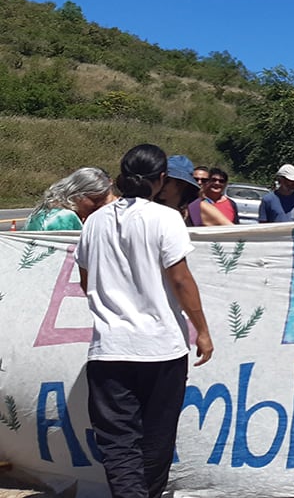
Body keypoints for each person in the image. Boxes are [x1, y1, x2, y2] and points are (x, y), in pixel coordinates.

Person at [74, 143, 213, 498]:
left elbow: (86, 282)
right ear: (162, 179)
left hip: (110, 351)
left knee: (118, 444)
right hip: (161, 350)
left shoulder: (94, 222)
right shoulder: (166, 219)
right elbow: (181, 280)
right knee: (156, 439)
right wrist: (203, 330)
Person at [27, 167, 115, 231]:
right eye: (96, 200)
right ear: (77, 194)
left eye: (103, 200)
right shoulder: (65, 218)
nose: (101, 205)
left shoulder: (48, 211)